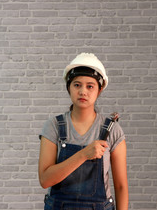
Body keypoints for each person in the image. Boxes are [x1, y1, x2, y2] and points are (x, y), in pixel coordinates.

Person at [38, 53, 128, 210]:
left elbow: (120, 186)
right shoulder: (53, 126)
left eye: (90, 86)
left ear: (99, 90)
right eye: (77, 85)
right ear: (69, 88)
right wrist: (84, 154)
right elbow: (45, 180)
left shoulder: (113, 131)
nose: (83, 92)